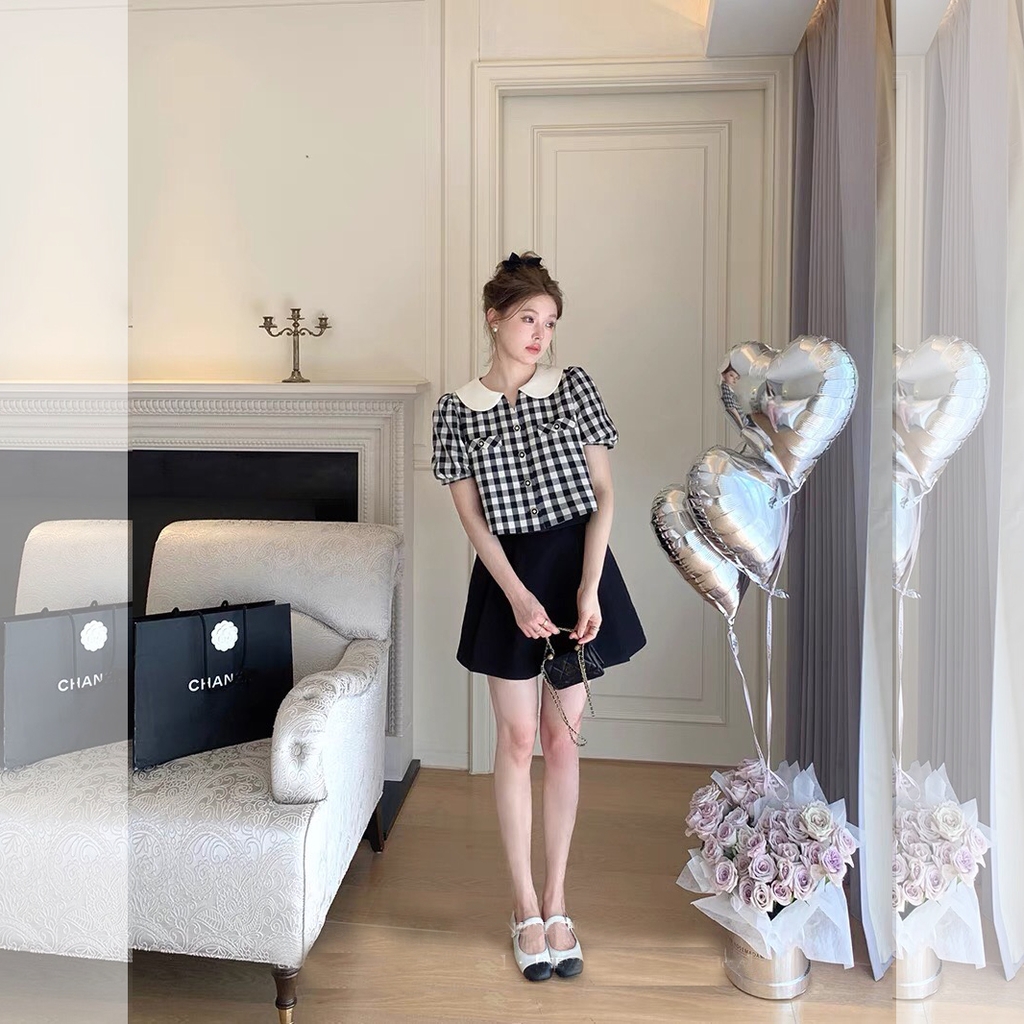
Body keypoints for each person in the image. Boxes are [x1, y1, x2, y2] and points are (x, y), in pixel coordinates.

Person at [431, 251, 646, 982]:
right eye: (528, 318)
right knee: (517, 738)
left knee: (562, 739)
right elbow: (473, 520)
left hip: (577, 567)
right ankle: (523, 906)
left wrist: (589, 588)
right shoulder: (457, 410)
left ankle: (557, 902)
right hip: (507, 578)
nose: (540, 334)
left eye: (550, 322)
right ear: (494, 318)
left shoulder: (572, 387)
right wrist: (517, 595)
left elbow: (604, 494)